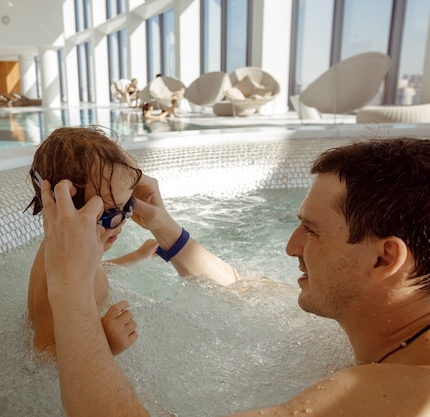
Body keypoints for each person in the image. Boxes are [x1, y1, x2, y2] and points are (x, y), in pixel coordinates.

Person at [38, 137, 430, 416]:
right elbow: (240, 288)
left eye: (311, 231)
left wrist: (70, 287)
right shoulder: (374, 324)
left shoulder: (395, 396)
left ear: (385, 259)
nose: (291, 247)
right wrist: (163, 226)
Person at [25, 126, 158, 360]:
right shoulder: (52, 278)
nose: (120, 223)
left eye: (127, 207)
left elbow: (95, 272)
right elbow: (42, 353)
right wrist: (103, 343)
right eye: (107, 215)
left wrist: (137, 256)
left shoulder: (76, 253)